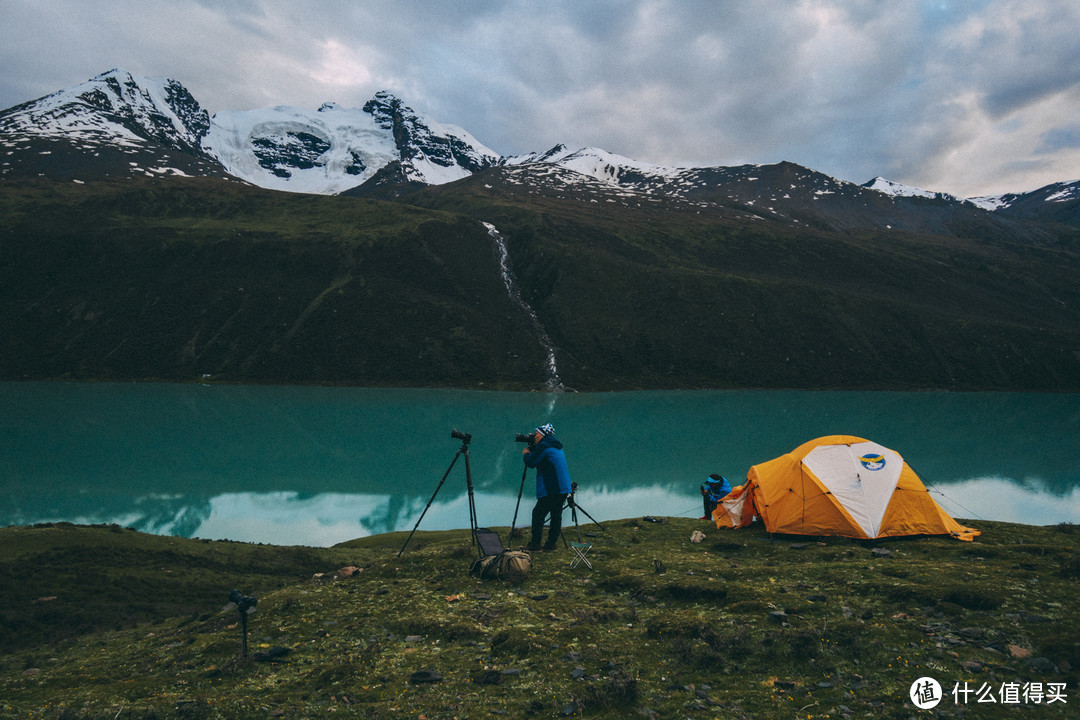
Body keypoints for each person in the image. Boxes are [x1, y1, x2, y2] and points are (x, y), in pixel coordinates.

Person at [522, 423, 573, 551]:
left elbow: (532, 462)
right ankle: (551, 545)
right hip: (563, 487)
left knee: (538, 514)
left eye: (537, 434)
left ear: (543, 435)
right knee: (556, 515)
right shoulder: (555, 445)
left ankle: (535, 544)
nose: (535, 436)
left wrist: (526, 454)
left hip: (553, 487)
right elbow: (543, 459)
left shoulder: (544, 446)